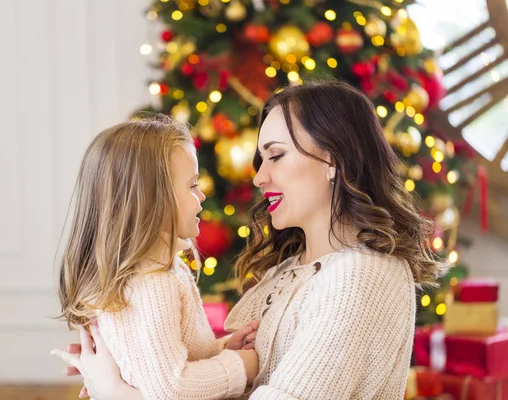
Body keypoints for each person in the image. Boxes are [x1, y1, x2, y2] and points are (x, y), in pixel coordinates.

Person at [52, 80, 442, 399]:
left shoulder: (362, 275)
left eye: (276, 156)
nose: (258, 178)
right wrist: (129, 356)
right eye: (260, 160)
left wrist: (119, 393)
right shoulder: (287, 271)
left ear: (333, 161)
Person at [51, 116, 260, 400]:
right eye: (192, 185)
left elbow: (163, 363)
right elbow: (171, 387)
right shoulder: (152, 282)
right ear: (152, 199)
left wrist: (224, 349)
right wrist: (241, 366)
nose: (201, 195)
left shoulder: (161, 270)